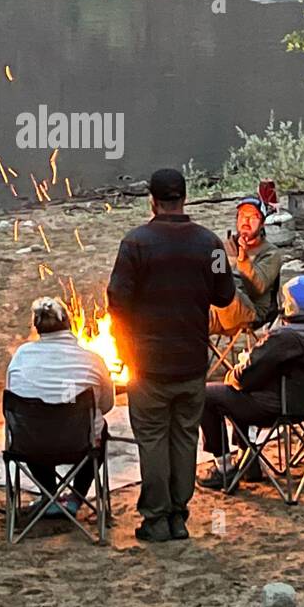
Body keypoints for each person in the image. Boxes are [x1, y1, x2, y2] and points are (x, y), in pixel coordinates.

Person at [107, 167, 236, 543]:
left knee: (151, 439)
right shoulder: (210, 244)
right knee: (184, 438)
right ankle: (179, 515)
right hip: (193, 362)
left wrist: (125, 339)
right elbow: (224, 296)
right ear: (184, 198)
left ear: (152, 200)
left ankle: (156, 518)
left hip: (147, 364)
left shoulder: (135, 244)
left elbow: (117, 300)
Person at [198, 273, 304, 488]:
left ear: (293, 304)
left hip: (276, 408)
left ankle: (224, 468)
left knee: (207, 395)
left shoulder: (285, 338)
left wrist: (236, 370)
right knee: (239, 394)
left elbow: (245, 378)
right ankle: (248, 460)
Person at [6, 296, 115, 518]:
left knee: (35, 425)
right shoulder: (92, 359)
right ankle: (75, 498)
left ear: (36, 328)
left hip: (29, 445)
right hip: (80, 445)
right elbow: (106, 405)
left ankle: (50, 494)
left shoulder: (20, 356)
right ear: (69, 323)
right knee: (100, 430)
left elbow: (12, 398)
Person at [209, 195, 285, 336]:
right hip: (219, 312)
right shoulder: (222, 248)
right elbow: (213, 280)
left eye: (253, 217)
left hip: (251, 312)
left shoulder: (271, 253)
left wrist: (243, 261)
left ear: (262, 223)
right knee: (185, 320)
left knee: (224, 286)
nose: (246, 221)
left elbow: (258, 289)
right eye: (242, 216)